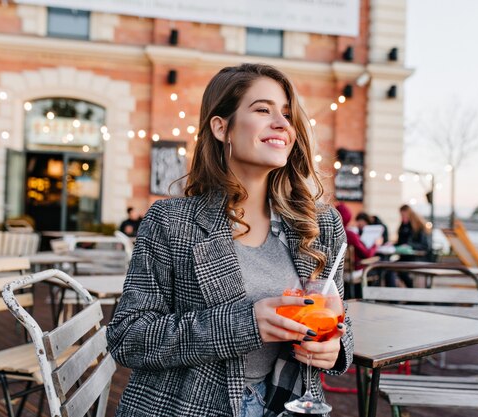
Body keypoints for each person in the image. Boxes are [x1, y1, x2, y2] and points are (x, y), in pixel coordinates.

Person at [106, 63, 353, 417]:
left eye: (286, 113)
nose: (283, 123)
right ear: (222, 128)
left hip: (287, 404)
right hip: (187, 407)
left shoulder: (320, 224)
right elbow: (128, 338)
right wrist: (245, 323)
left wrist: (334, 347)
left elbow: (338, 316)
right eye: (263, 110)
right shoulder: (171, 223)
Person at [386, 204, 429, 288]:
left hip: (416, 258)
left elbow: (425, 246)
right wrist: (392, 244)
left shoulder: (419, 227)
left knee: (398, 270)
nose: (402, 217)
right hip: (404, 258)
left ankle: (411, 290)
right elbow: (401, 242)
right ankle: (397, 295)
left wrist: (409, 245)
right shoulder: (403, 226)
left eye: (403, 215)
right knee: (389, 269)